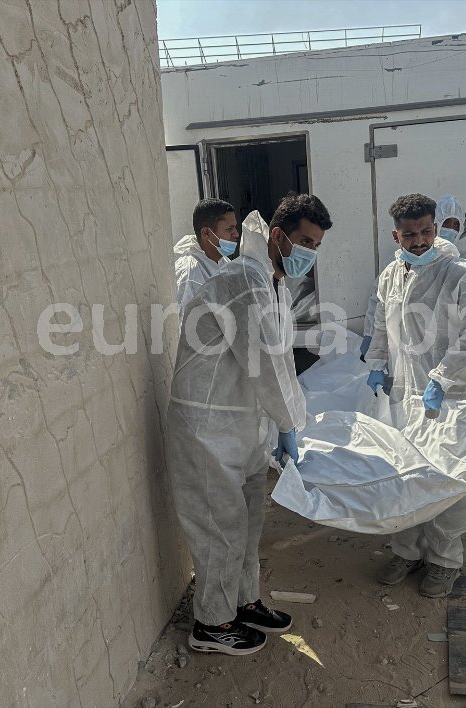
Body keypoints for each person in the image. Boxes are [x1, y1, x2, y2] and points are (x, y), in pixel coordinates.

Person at [167, 193, 333, 654]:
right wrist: (289, 422)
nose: (309, 254)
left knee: (246, 525)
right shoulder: (243, 279)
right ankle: (211, 624)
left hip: (240, 427)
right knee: (220, 529)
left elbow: (278, 360)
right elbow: (267, 364)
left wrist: (280, 426)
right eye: (305, 242)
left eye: (316, 246)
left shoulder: (272, 283)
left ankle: (243, 602)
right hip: (207, 430)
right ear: (278, 236)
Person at [364, 193, 466, 598]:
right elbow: (380, 323)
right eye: (410, 235)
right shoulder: (391, 275)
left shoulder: (459, 274)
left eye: (426, 231)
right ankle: (406, 551)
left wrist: (442, 378)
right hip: (403, 394)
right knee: (404, 472)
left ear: (435, 228)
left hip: (450, 396)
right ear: (396, 236)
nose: (420, 241)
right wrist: (377, 362)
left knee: (449, 476)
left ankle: (444, 560)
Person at [359, 196, 466, 360]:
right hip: (409, 355)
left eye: (456, 224)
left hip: (452, 357)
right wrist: (371, 338)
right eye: (447, 223)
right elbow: (380, 302)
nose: (451, 229)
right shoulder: (400, 266)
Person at [173, 198, 240, 319]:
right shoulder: (190, 275)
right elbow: (184, 324)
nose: (236, 234)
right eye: (229, 229)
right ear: (206, 233)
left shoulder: (224, 262)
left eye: (235, 227)